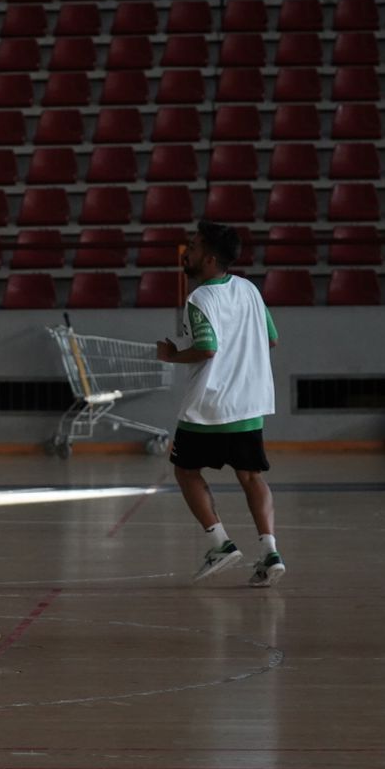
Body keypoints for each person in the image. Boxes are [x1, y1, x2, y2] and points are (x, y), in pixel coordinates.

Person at [155, 220, 285, 587]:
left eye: (193, 247)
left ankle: (220, 543)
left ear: (209, 258)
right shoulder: (249, 290)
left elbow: (207, 348)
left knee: (184, 470)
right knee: (250, 476)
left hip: (209, 406)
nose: (187, 251)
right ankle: (270, 550)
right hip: (250, 403)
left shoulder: (199, 299)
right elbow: (271, 339)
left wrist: (169, 355)